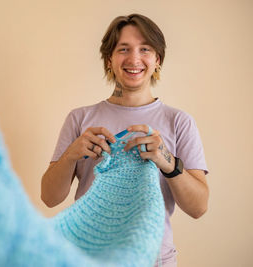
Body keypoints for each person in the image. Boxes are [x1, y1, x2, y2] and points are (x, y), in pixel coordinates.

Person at [41, 14, 209, 266]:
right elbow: (49, 197)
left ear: (157, 60)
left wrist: (167, 161)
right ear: (109, 59)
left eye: (145, 49)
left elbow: (198, 208)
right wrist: (71, 154)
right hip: (89, 257)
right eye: (123, 49)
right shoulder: (79, 119)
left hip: (154, 259)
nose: (134, 59)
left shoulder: (179, 122)